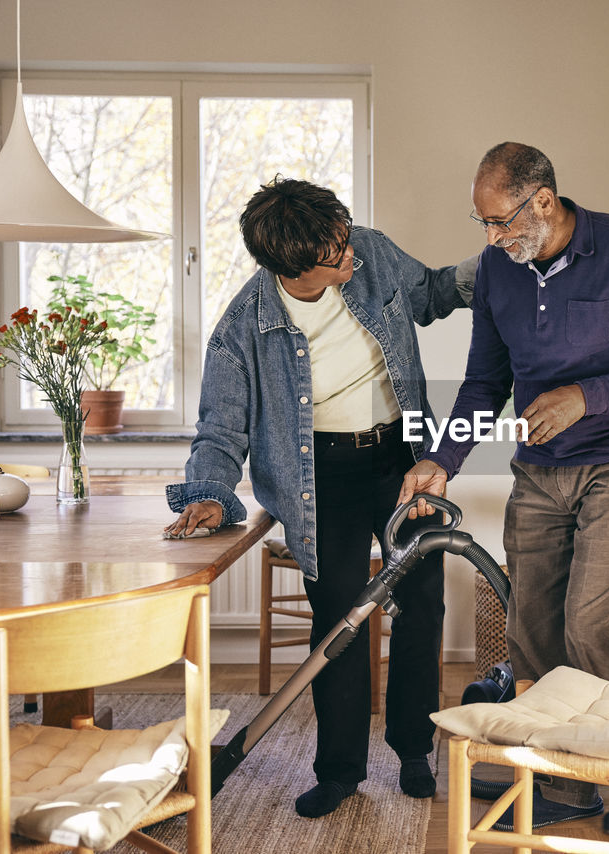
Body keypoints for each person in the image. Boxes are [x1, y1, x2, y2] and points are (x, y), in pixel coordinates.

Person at [397, 142, 609, 836]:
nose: (493, 239)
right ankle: (565, 783)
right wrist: (442, 460)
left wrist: (585, 397)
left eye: (501, 222)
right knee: (529, 625)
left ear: (542, 200)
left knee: (594, 625)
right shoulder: (499, 276)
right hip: (540, 468)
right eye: (483, 226)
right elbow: (483, 382)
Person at [164, 177, 475, 818]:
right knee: (339, 627)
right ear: (295, 267)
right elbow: (219, 428)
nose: (350, 253)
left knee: (421, 605)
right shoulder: (244, 327)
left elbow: (436, 292)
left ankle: (415, 752)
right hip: (318, 481)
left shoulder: (371, 251)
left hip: (401, 461)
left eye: (345, 235)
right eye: (335, 252)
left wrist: (497, 258)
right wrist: (210, 493)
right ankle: (339, 771)